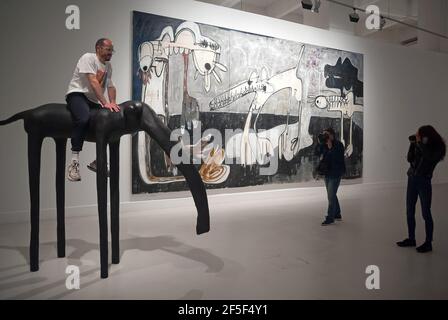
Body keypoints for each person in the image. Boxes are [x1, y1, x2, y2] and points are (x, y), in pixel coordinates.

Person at [66, 38, 120, 181]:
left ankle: (98, 161)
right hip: (77, 95)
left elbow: (111, 86)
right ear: (98, 48)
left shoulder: (108, 66)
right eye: (108, 49)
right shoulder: (88, 58)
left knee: (110, 120)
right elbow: (93, 82)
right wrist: (104, 103)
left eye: (111, 50)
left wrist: (113, 103)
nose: (110, 53)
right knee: (83, 118)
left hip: (92, 100)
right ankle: (74, 163)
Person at [397, 125, 446, 253]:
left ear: (427, 135)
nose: (417, 136)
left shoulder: (437, 147)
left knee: (426, 212)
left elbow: (430, 157)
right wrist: (412, 145)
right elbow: (409, 159)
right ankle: (411, 238)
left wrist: (419, 143)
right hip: (412, 179)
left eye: (419, 134)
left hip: (424, 181)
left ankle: (428, 243)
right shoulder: (419, 144)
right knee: (409, 211)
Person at [315, 127, 346, 226]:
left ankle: (330, 217)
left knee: (331, 195)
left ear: (332, 135)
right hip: (327, 173)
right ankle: (337, 214)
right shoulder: (324, 144)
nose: (325, 136)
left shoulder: (339, 145)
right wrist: (319, 143)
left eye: (327, 134)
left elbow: (338, 159)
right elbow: (317, 153)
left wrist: (330, 148)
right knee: (331, 194)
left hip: (336, 173)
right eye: (324, 134)